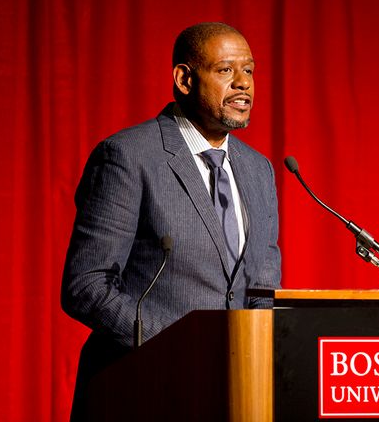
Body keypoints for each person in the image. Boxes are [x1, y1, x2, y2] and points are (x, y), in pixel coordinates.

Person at [61, 22, 281, 421]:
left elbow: (262, 288)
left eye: (249, 71)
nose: (243, 85)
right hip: (140, 390)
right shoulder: (128, 156)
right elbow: (86, 286)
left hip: (235, 397)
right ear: (184, 78)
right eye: (225, 70)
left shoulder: (258, 169)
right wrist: (181, 347)